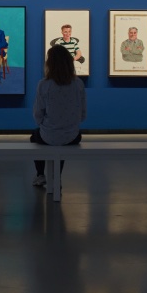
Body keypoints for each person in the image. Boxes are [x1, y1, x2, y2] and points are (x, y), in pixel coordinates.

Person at [30, 45, 87, 187]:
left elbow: (38, 114)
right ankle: (56, 177)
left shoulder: (44, 84)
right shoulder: (78, 84)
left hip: (48, 136)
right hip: (72, 137)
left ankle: (40, 174)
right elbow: (82, 115)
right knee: (62, 140)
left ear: (50, 63)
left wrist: (45, 124)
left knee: (35, 137)